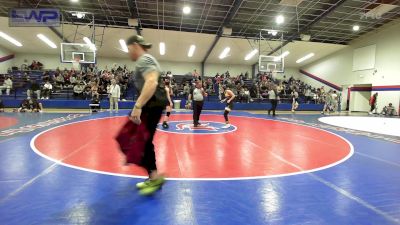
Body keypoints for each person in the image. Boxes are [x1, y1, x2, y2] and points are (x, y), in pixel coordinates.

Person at [127, 35, 168, 195]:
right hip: (151, 105)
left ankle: (155, 178)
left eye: (129, 48)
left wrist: (138, 106)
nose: (128, 52)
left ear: (134, 45)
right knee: (142, 141)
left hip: (151, 105)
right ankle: (153, 177)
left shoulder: (144, 59)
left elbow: (152, 82)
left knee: (142, 141)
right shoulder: (145, 60)